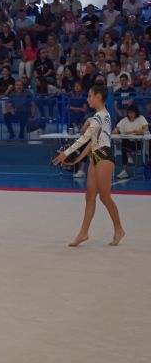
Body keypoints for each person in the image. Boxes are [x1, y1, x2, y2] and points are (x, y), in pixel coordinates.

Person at [52, 85, 126, 246]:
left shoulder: (102, 116)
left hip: (105, 157)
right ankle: (83, 233)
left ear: (99, 96)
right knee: (89, 197)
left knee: (105, 197)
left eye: (90, 96)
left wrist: (66, 153)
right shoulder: (98, 117)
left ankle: (119, 229)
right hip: (95, 157)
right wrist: (77, 160)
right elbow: (91, 142)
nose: (87, 99)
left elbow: (85, 138)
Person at [113, 104, 149, 179]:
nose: (130, 114)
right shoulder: (124, 120)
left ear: (136, 112)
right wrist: (115, 131)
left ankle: (124, 170)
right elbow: (117, 129)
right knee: (124, 145)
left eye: (132, 112)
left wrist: (134, 131)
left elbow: (145, 129)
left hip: (138, 143)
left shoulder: (141, 118)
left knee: (124, 147)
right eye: (129, 113)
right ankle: (127, 163)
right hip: (126, 142)